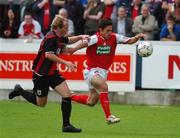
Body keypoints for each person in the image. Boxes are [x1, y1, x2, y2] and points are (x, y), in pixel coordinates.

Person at [8, 15, 89, 133]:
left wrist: (81, 36)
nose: (67, 30)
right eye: (65, 27)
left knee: (66, 95)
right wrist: (66, 63)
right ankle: (19, 90)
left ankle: (66, 126)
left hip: (52, 73)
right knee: (41, 103)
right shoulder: (51, 37)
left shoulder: (58, 36)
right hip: (41, 75)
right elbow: (48, 55)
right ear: (58, 27)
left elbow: (69, 40)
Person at [70, 18, 145, 124]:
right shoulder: (95, 38)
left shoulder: (114, 37)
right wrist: (74, 49)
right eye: (107, 31)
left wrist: (136, 37)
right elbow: (85, 42)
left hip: (103, 73)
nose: (110, 33)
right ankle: (108, 116)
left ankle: (69, 96)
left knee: (91, 102)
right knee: (104, 86)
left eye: (111, 30)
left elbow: (129, 41)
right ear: (100, 30)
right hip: (91, 71)